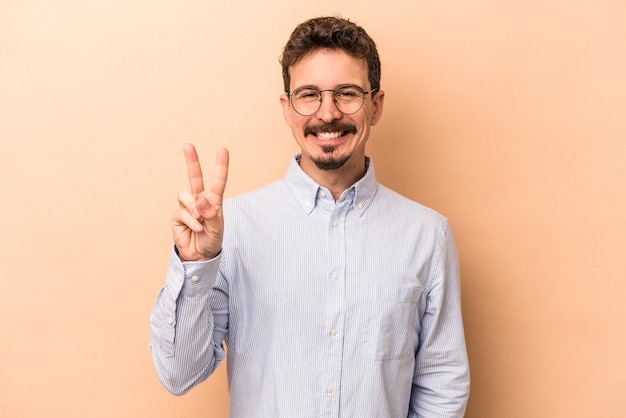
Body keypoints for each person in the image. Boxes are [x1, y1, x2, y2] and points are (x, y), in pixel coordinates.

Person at [150, 16, 470, 417]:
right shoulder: (231, 229)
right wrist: (197, 264)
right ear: (287, 108)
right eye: (308, 95)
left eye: (348, 94)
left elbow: (443, 383)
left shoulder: (428, 235)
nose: (328, 113)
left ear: (376, 105)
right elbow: (178, 375)